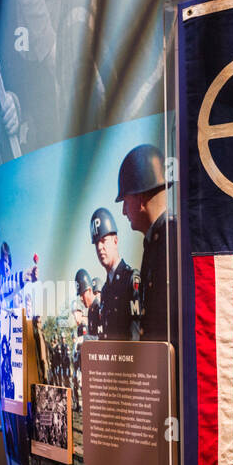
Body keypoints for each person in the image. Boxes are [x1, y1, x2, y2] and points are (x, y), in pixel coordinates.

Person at [117, 144, 172, 342]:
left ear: (140, 198)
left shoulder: (171, 241)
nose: (123, 211)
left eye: (125, 201)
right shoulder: (155, 242)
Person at [89, 207, 137, 340]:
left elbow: (136, 336)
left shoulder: (131, 279)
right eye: (96, 243)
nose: (99, 247)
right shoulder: (105, 290)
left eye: (104, 241)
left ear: (115, 241)